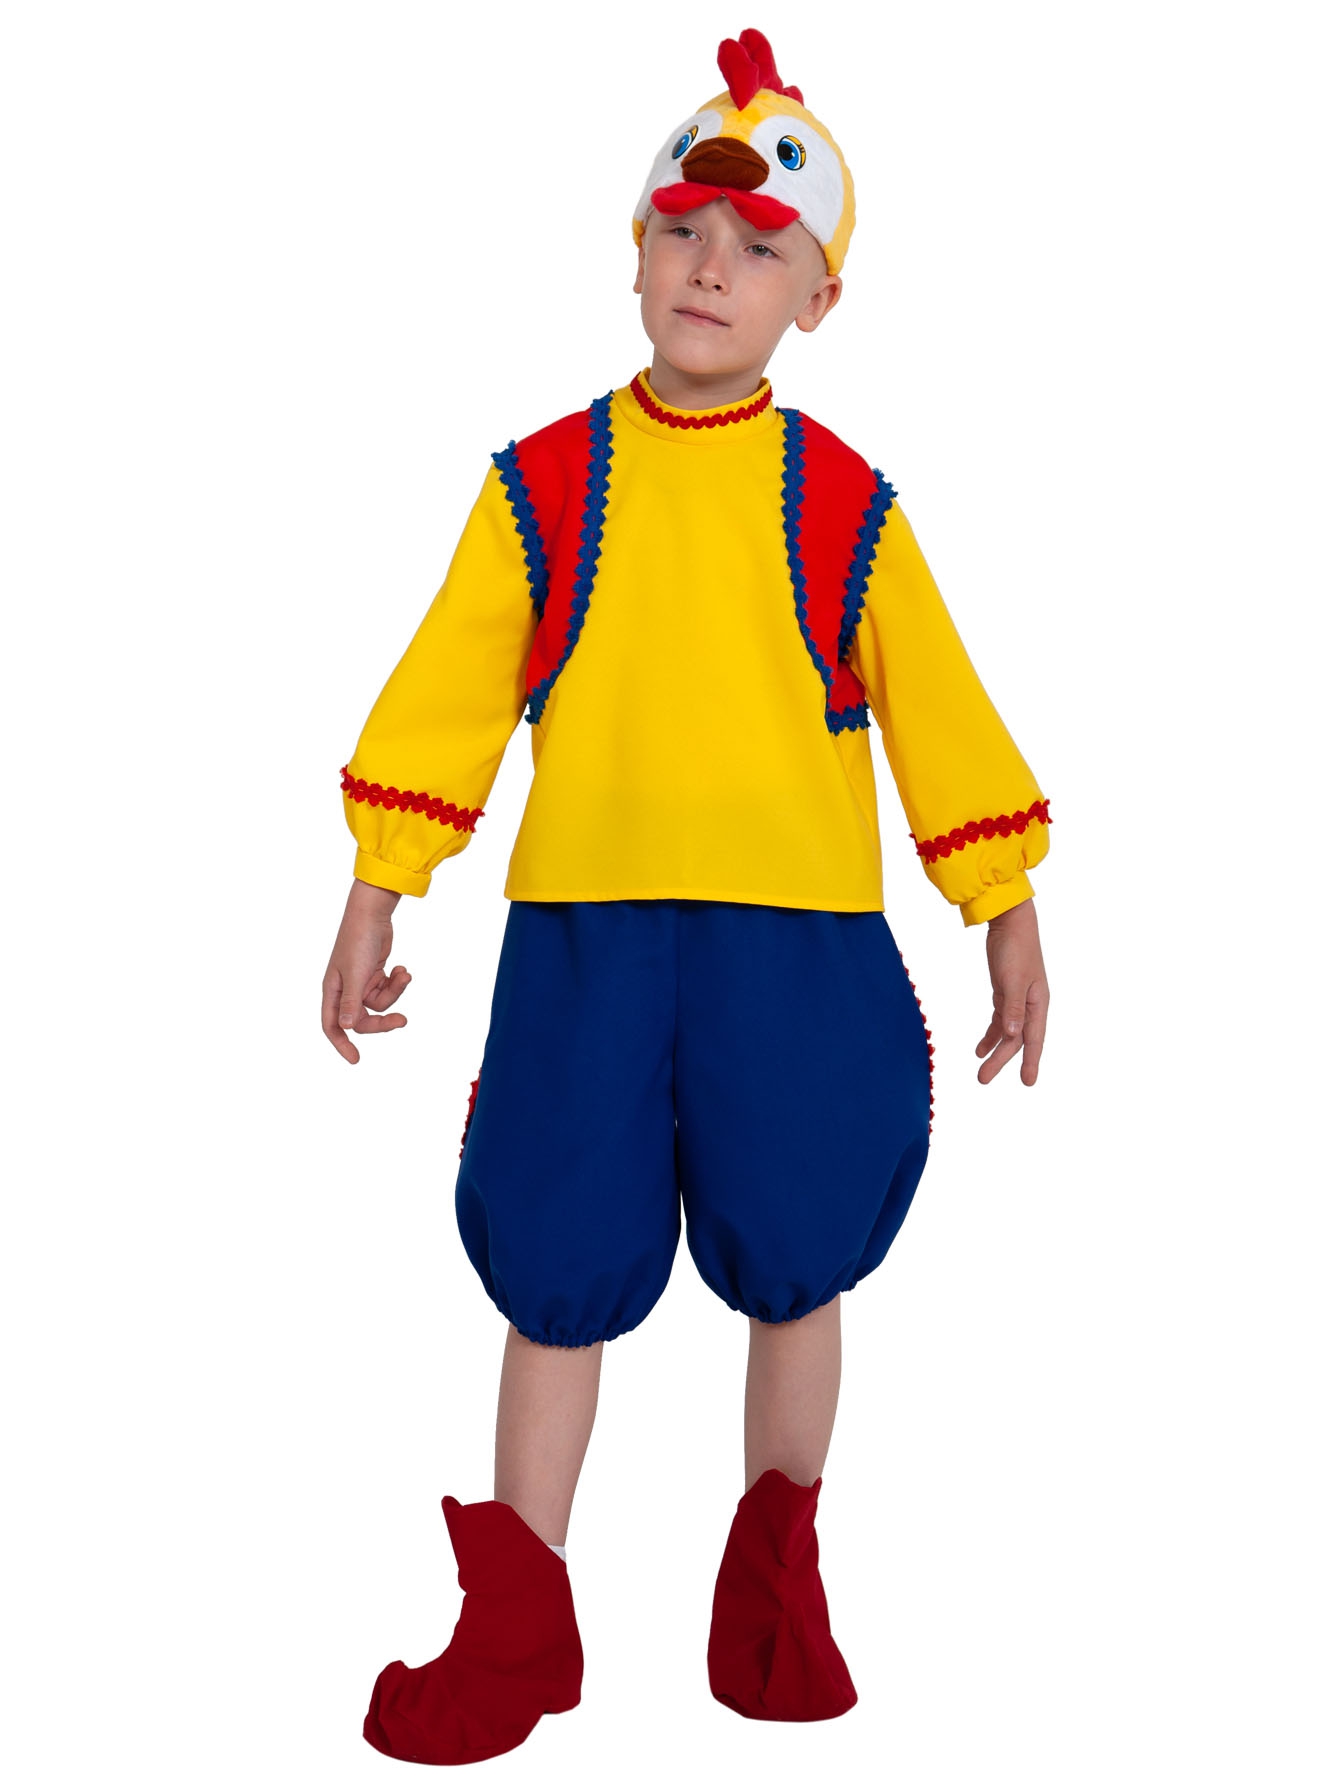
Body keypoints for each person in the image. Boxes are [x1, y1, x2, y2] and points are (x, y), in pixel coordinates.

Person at [321, 25, 1051, 1767]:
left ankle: (776, 1590)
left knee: (796, 1254)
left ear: (819, 299)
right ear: (633, 253)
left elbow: (938, 703)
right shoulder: (545, 484)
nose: (710, 267)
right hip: (584, 938)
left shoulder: (843, 502)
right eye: (679, 233)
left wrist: (1003, 902)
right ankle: (516, 1625)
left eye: (757, 247)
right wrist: (379, 882)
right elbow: (448, 689)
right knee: (551, 1261)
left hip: (795, 948)